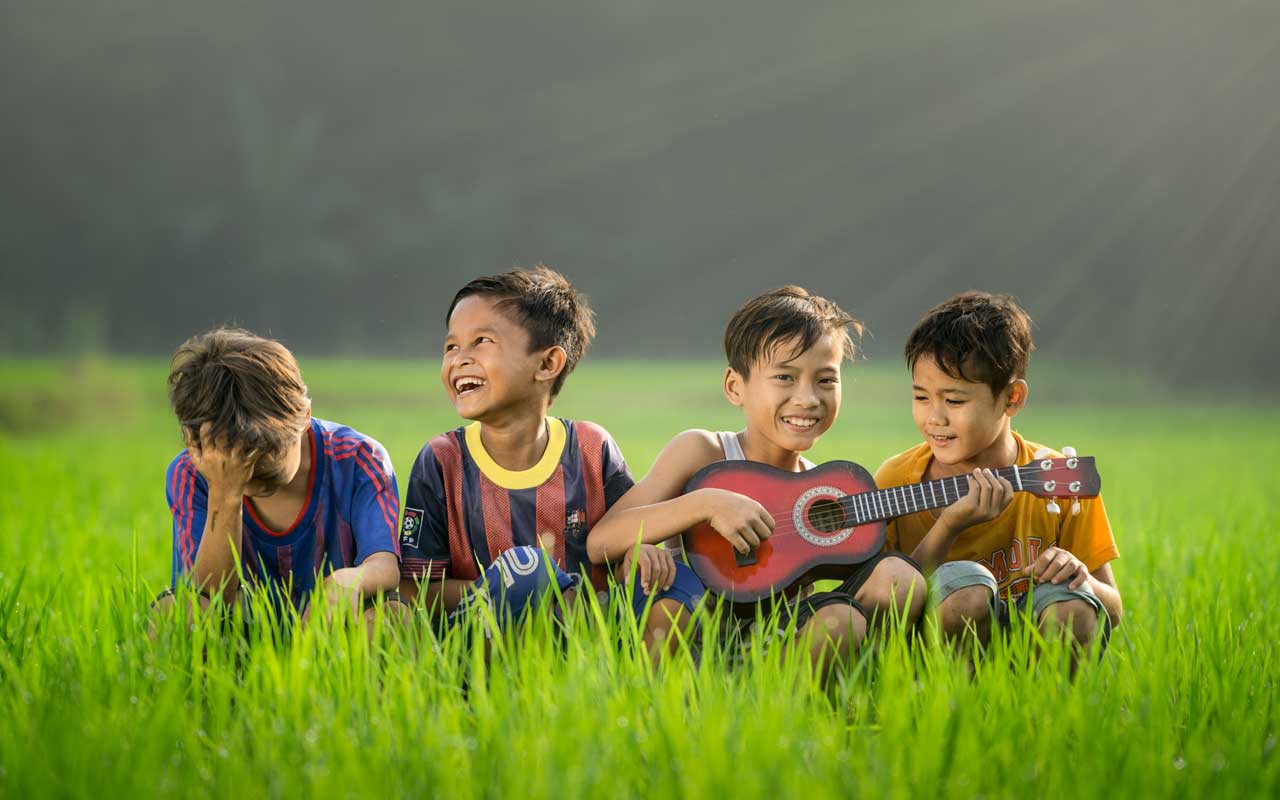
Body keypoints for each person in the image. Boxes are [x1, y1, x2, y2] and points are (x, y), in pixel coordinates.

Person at [587, 287, 926, 681]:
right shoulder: (704, 451)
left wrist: (954, 518)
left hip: (779, 644)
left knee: (861, 605)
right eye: (785, 376)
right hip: (694, 633)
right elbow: (601, 540)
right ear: (735, 387)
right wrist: (706, 504)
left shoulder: (823, 489)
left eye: (826, 380)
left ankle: (793, 708)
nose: (808, 398)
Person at [397, 267, 703, 661]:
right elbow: (415, 588)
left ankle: (633, 690)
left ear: (547, 364)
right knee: (528, 568)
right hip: (483, 643)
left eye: (481, 342)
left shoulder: (592, 448)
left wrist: (638, 553)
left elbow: (623, 539)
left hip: (589, 635)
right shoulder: (441, 460)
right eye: (451, 347)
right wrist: (540, 587)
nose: (460, 360)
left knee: (679, 578)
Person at [875, 291, 1122, 653]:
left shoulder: (1058, 481)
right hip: (931, 660)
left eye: (955, 400)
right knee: (965, 594)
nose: (934, 418)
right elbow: (884, 611)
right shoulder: (895, 479)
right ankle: (959, 706)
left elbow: (1112, 610)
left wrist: (1081, 578)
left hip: (1028, 647)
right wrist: (949, 526)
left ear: (1013, 398)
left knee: (1072, 606)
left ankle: (1049, 709)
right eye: (921, 397)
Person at [156, 328, 403, 628]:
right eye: (231, 457)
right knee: (175, 613)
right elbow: (207, 595)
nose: (244, 469)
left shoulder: (359, 459)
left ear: (305, 416)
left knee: (390, 617)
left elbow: (385, 564)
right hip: (239, 635)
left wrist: (349, 580)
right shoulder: (192, 473)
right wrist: (225, 491)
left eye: (261, 454)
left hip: (335, 629)